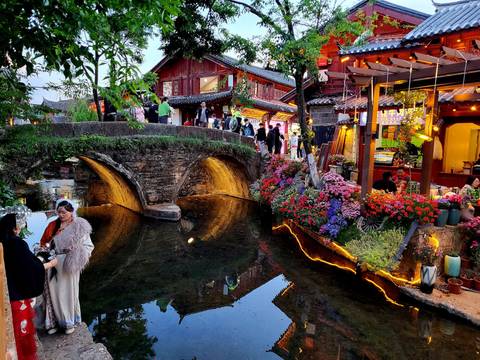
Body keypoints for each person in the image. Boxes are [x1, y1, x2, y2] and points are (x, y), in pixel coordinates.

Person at [1, 211, 56, 360]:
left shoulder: (3, 241)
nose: (20, 229)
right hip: (16, 296)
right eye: (19, 226)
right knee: (22, 332)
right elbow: (29, 268)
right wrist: (49, 263)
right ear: (14, 228)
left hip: (6, 292)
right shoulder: (16, 243)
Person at [40, 200, 94, 335]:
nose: (61, 215)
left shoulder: (78, 226)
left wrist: (76, 254)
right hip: (53, 262)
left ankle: (68, 322)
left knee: (67, 294)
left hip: (70, 263)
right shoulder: (53, 225)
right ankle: (54, 323)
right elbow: (43, 242)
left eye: (64, 212)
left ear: (71, 212)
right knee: (53, 293)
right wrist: (45, 251)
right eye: (59, 212)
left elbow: (88, 246)